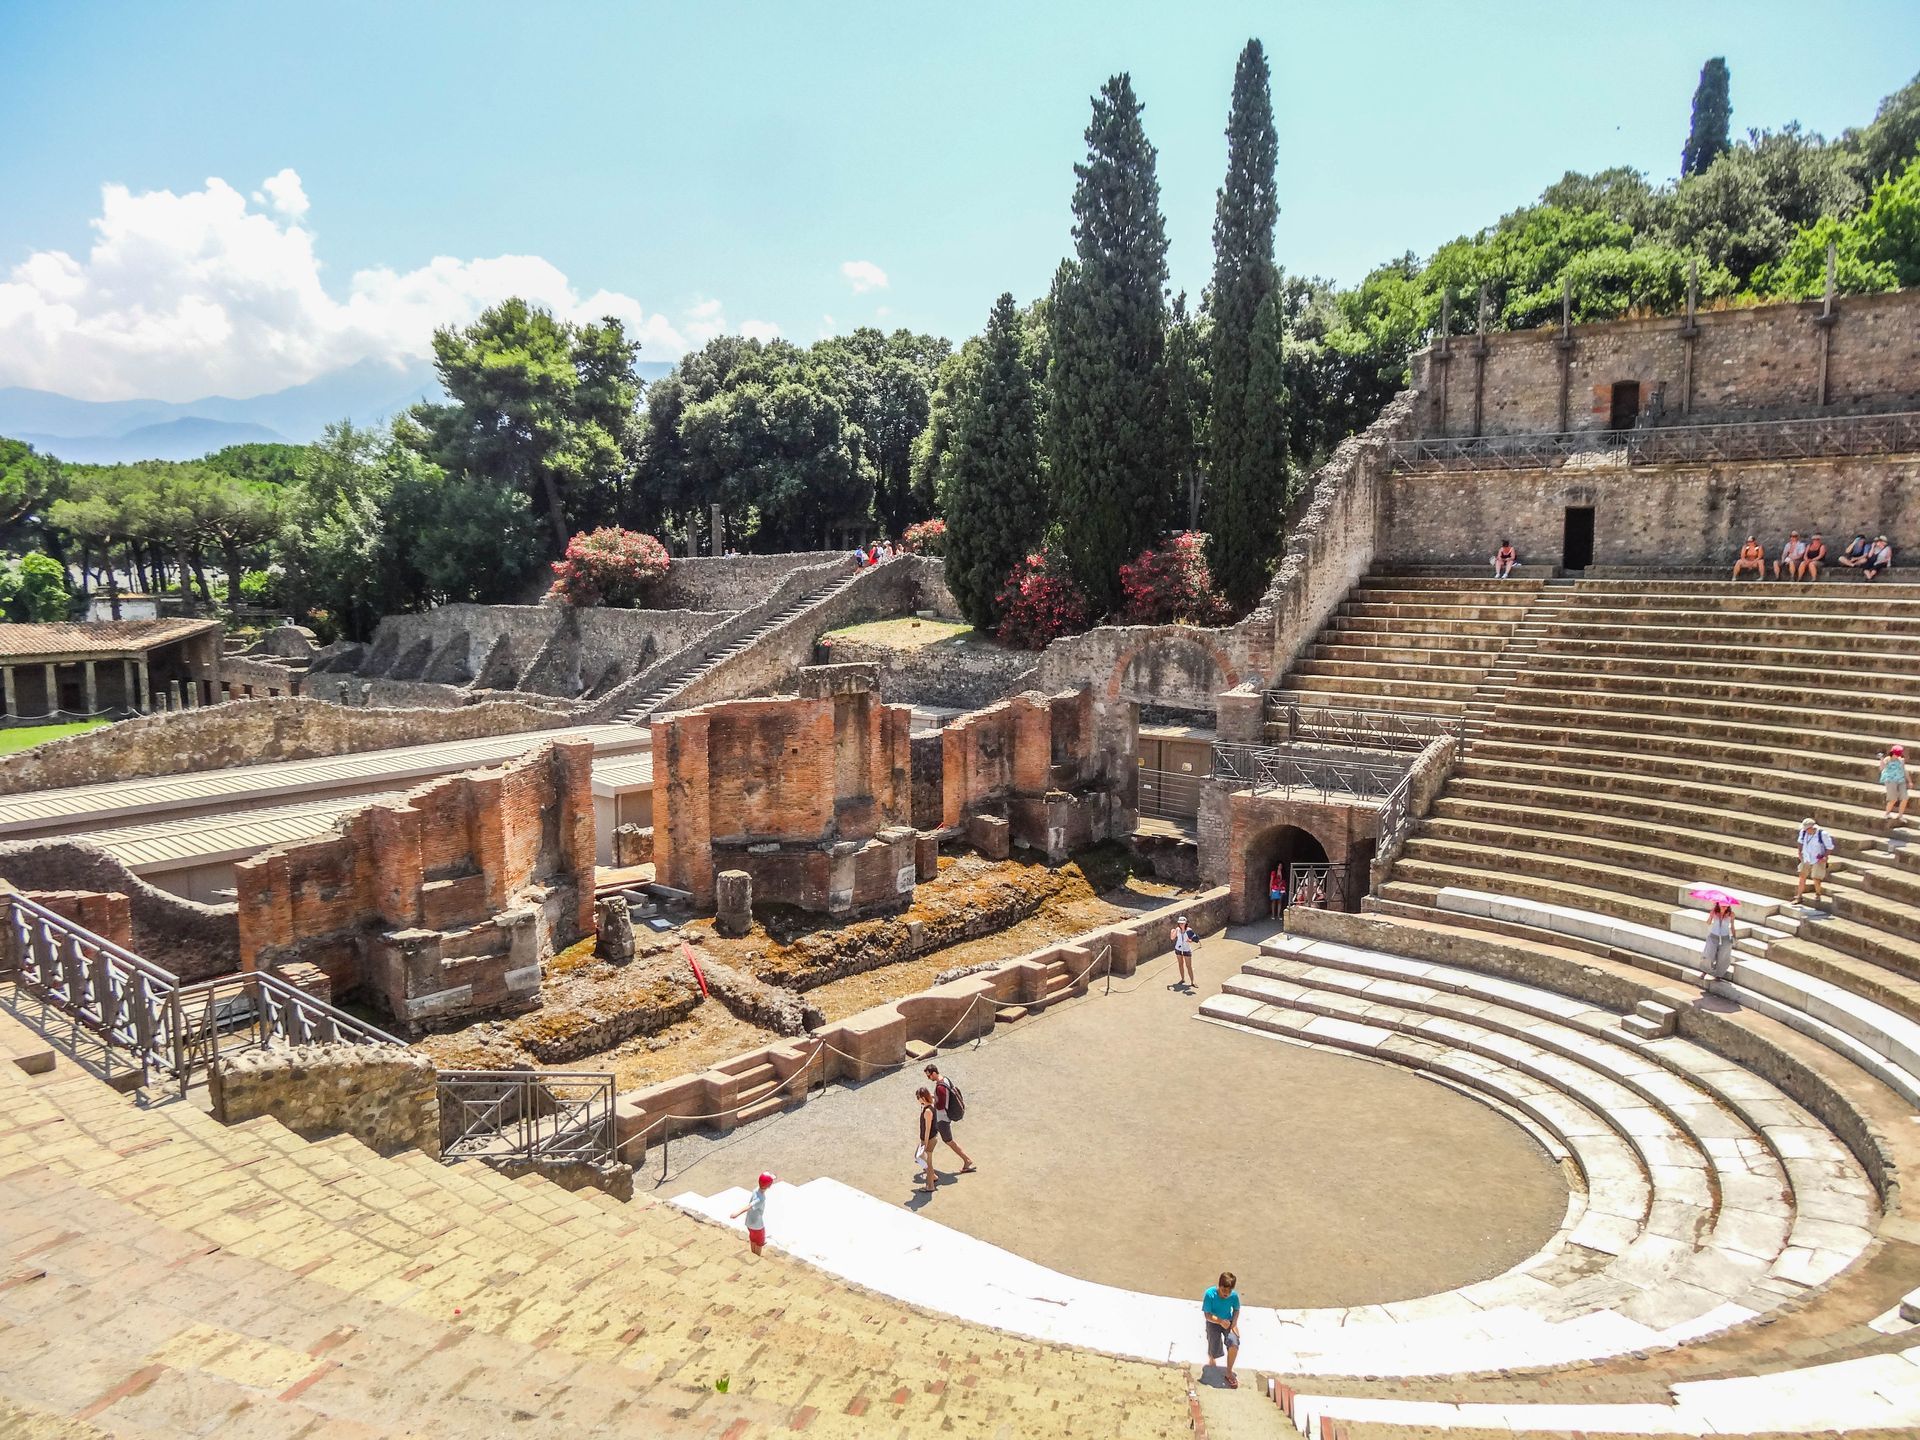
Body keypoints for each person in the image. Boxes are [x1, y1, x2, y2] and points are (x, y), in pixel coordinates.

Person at [923, 1064, 977, 1175]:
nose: (929, 1078)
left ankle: (967, 1160)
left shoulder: (940, 1088)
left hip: (943, 1119)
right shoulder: (945, 1079)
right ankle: (924, 1153)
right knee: (932, 1131)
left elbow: (941, 1105)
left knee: (948, 1141)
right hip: (943, 1117)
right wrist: (933, 1096)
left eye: (929, 1076)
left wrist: (930, 1101)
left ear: (934, 1073)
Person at [1202, 1272, 1242, 1389]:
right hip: (1213, 1321)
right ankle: (1212, 1357)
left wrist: (1234, 1324)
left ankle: (1229, 1372)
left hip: (1228, 1321)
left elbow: (1236, 1309)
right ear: (1219, 1286)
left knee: (1234, 1342)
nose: (1226, 1294)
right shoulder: (1210, 1294)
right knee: (1213, 1344)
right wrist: (1219, 1321)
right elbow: (1207, 1315)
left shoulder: (1234, 1296)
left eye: (1229, 1291)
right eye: (1224, 1290)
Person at [729, 1172, 775, 1256]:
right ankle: (756, 1256)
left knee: (753, 1239)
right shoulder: (760, 1199)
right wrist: (737, 1213)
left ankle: (752, 1254)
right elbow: (750, 1206)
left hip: (749, 1222)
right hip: (757, 1225)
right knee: (759, 1242)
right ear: (769, 1186)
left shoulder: (756, 1190)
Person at [1795, 818, 1836, 907]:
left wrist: (1825, 857)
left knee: (1816, 878)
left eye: (1807, 829)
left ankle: (1818, 894)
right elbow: (1800, 842)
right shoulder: (1803, 832)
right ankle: (1799, 896)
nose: (1805, 830)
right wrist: (1799, 852)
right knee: (1802, 876)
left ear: (1812, 828)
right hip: (1806, 857)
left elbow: (1830, 847)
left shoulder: (1822, 834)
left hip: (1818, 859)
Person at [1701, 902, 1736, 985]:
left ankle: (1719, 975)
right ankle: (1704, 972)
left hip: (1725, 937)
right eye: (1722, 905)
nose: (1724, 907)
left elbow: (1732, 926)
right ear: (1719, 905)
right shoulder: (1714, 912)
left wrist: (1734, 937)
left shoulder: (1731, 914)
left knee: (1723, 957)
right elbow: (1708, 923)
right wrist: (1711, 916)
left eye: (1726, 906)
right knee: (1709, 954)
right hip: (1713, 936)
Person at [914, 1086, 938, 1194]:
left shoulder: (928, 1111)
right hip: (929, 1138)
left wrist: (925, 1144)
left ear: (922, 1098)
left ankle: (930, 1186)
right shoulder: (930, 1104)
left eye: (918, 1098)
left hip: (928, 1139)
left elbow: (927, 1130)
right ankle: (933, 1176)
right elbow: (933, 1097)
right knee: (922, 1159)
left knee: (927, 1163)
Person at [1878, 744, 1909, 825]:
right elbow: (1881, 768)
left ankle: (1900, 815)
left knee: (1905, 798)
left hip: (1900, 780)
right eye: (1896, 754)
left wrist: (1909, 781)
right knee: (1893, 799)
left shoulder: (1901, 760)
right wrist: (1881, 759)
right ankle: (1887, 813)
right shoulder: (1887, 759)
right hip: (1890, 780)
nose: (1897, 756)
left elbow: (1904, 770)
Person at [1170, 914, 1197, 990]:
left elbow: (1195, 939)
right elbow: (1172, 938)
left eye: (1182, 923)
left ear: (1185, 923)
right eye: (1180, 923)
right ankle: (1182, 978)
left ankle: (1192, 981)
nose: (1181, 924)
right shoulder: (1177, 929)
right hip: (1178, 949)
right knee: (1180, 964)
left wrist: (1190, 940)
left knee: (1189, 966)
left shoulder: (1189, 930)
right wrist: (1173, 931)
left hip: (1186, 949)